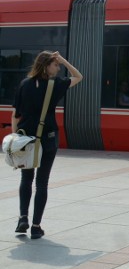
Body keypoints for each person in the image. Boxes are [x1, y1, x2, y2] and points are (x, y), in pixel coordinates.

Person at [11, 51, 83, 239]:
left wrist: (15, 138)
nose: (58, 68)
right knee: (42, 183)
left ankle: (22, 219)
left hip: (25, 139)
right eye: (55, 64)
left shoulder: (24, 84)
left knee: (26, 179)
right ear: (46, 66)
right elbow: (78, 76)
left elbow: (16, 115)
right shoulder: (56, 85)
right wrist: (65, 60)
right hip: (48, 139)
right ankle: (36, 226)